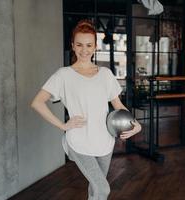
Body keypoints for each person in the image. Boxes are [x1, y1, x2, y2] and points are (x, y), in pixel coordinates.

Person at [31, 19, 142, 200]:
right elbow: (37, 102)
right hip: (79, 142)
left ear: (95, 46)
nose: (84, 50)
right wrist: (62, 125)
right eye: (80, 45)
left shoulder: (105, 74)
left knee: (95, 190)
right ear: (73, 46)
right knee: (102, 189)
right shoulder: (63, 75)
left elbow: (118, 106)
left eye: (89, 45)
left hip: (105, 141)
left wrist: (135, 124)